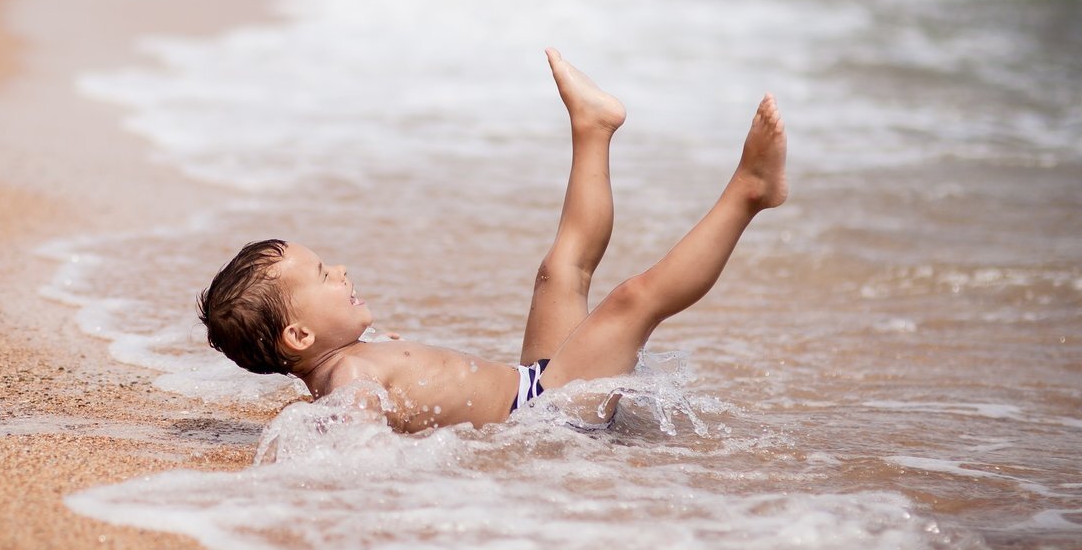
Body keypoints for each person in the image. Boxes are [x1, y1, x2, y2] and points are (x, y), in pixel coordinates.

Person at [199, 48, 787, 432]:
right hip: (549, 413)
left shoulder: (349, 357)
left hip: (536, 386)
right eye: (325, 274)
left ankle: (594, 128)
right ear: (299, 334)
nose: (342, 271)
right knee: (634, 298)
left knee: (561, 271)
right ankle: (749, 192)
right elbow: (355, 438)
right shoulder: (347, 381)